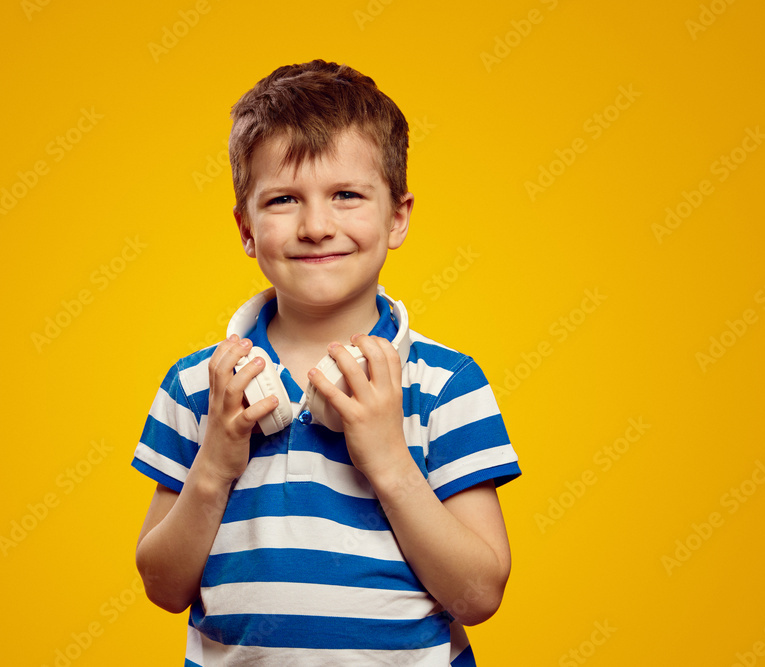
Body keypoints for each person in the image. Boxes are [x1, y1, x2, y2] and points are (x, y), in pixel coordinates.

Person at [132, 59, 521, 665]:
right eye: (284, 199)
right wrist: (213, 467)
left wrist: (389, 460)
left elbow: (478, 595)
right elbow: (163, 587)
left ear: (397, 217)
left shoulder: (447, 385)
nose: (316, 226)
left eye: (346, 195)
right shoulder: (199, 387)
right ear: (246, 228)